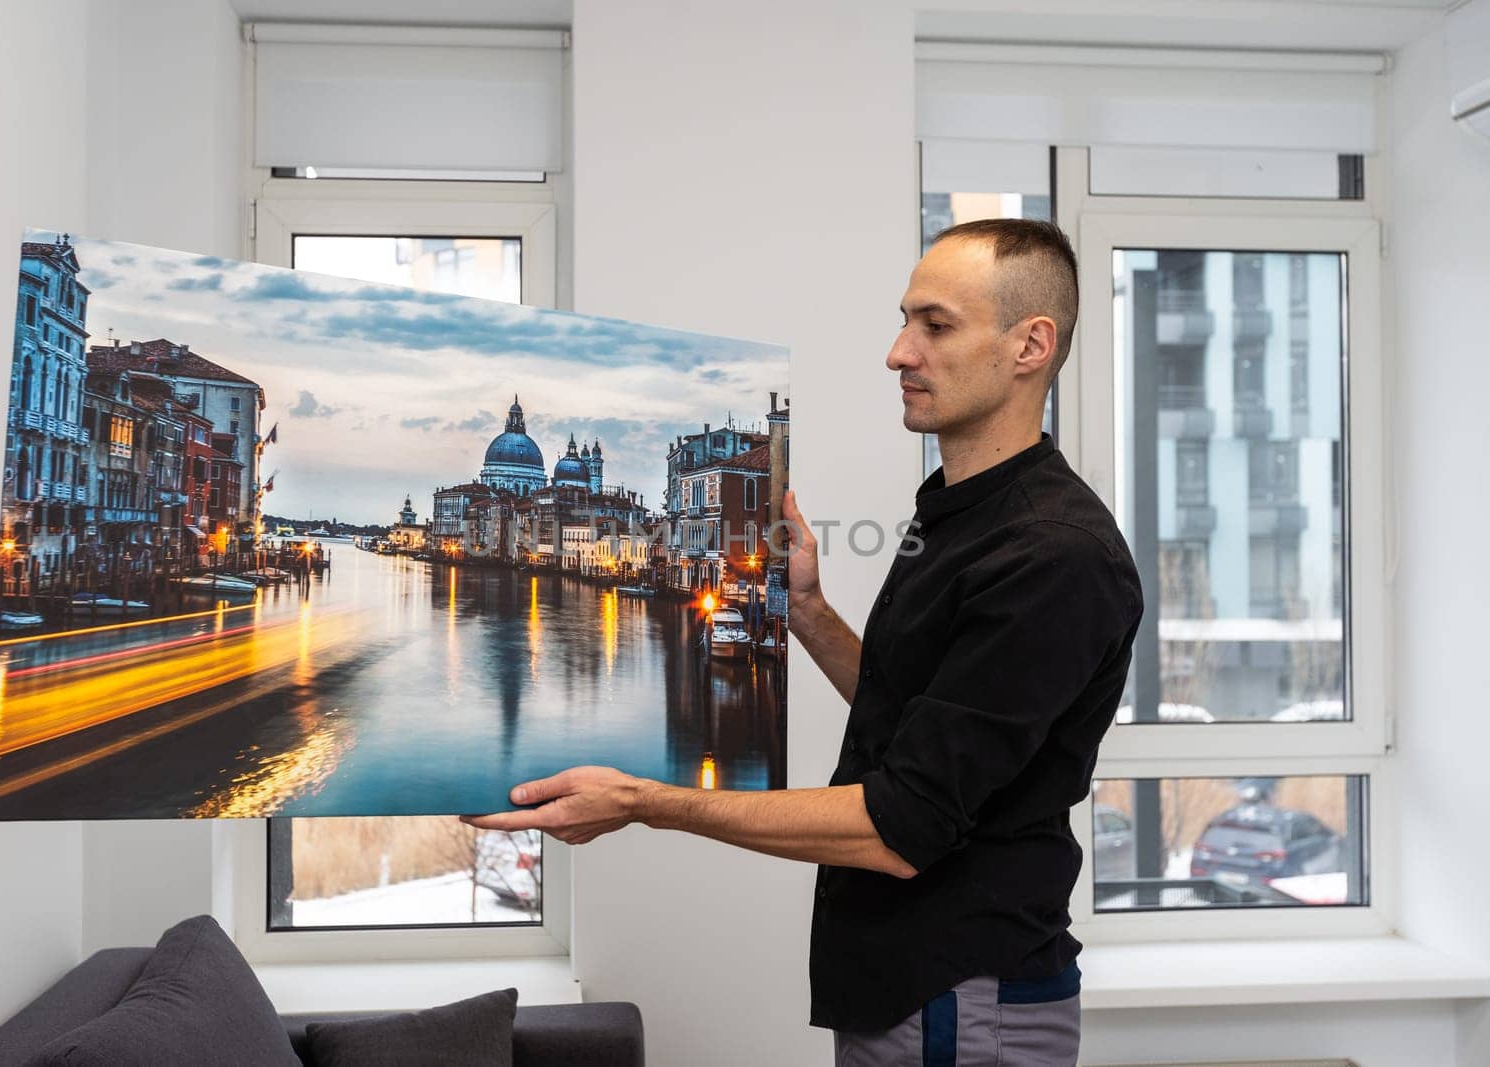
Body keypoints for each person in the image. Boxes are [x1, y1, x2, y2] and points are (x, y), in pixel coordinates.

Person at [464, 218, 1144, 1066]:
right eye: (905, 321)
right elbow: (922, 722)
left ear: (1029, 346)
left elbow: (901, 826)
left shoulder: (1053, 555)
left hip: (964, 1001)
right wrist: (811, 612)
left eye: (935, 325)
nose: (898, 352)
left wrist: (645, 801)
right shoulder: (964, 511)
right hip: (911, 989)